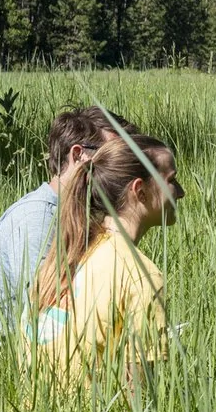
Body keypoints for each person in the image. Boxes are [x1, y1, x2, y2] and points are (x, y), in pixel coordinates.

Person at [26, 124, 185, 386]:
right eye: (171, 180)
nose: (180, 192)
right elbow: (139, 399)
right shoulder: (141, 276)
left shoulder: (66, 255)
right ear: (139, 190)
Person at [0, 105, 122, 332]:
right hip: (5, 347)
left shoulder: (83, 212)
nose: (119, 169)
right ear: (78, 155)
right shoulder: (36, 219)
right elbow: (47, 308)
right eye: (110, 158)